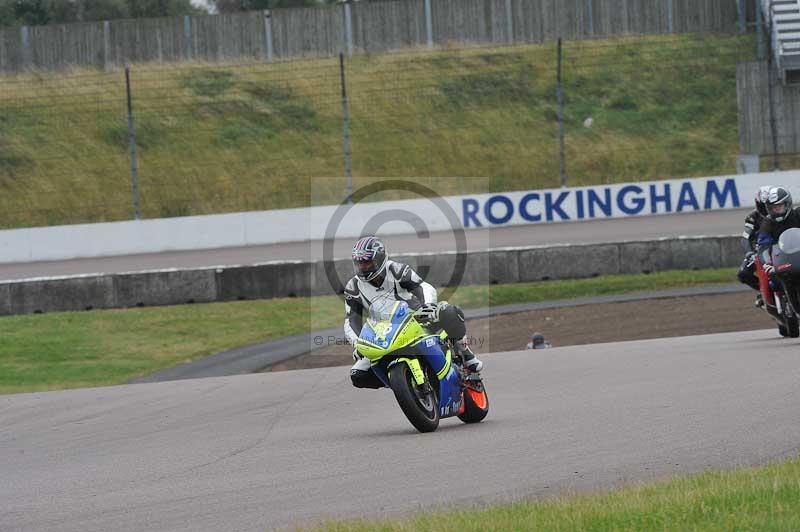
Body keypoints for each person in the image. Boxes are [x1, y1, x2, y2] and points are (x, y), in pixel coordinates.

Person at [344, 235, 483, 389]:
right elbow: (351, 320)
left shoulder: (397, 270)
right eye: (359, 263)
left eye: (366, 262)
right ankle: (403, 385)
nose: (362, 267)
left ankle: (465, 351)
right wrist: (358, 344)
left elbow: (423, 287)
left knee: (450, 311)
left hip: (414, 318)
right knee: (358, 375)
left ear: (380, 259)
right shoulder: (353, 287)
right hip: (383, 334)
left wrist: (428, 306)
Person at [757, 186, 800, 278]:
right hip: (781, 261)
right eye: (772, 207)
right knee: (773, 283)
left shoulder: (798, 214)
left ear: (787, 204)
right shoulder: (767, 223)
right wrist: (767, 262)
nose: (775, 209)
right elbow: (763, 246)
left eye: (779, 205)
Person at [737, 186, 771, 296]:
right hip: (761, 250)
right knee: (743, 274)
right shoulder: (752, 217)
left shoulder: (786, 212)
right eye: (764, 206)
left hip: (783, 247)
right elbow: (745, 237)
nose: (768, 209)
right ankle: (763, 291)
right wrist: (749, 252)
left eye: (771, 205)